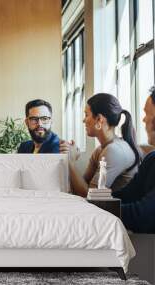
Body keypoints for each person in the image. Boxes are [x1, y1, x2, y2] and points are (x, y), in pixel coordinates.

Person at [60, 93, 142, 196]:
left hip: (118, 211)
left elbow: (91, 197)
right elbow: (79, 189)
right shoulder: (100, 150)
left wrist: (70, 162)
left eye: (86, 115)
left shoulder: (114, 151)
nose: (83, 120)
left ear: (99, 119)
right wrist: (71, 158)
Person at [112, 87, 155, 233]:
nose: (143, 119)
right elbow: (126, 195)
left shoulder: (114, 150)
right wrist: (90, 204)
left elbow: (142, 216)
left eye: (147, 113)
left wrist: (93, 208)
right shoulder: (151, 159)